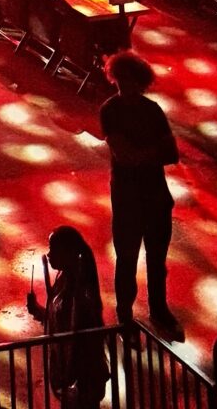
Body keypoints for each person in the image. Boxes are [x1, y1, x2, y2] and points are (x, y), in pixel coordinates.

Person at [98, 49, 183, 338]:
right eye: (120, 79)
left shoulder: (151, 110)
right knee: (127, 260)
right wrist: (153, 152)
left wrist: (141, 154)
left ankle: (158, 310)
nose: (123, 85)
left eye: (128, 80)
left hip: (152, 199)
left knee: (156, 261)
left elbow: (171, 154)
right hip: (131, 200)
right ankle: (126, 315)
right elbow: (127, 157)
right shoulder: (111, 110)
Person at [27, 227, 109, 409]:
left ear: (68, 253)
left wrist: (74, 380)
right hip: (70, 378)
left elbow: (82, 340)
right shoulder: (64, 279)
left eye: (53, 249)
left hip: (81, 379)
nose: (48, 254)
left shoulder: (82, 294)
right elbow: (59, 320)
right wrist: (38, 311)